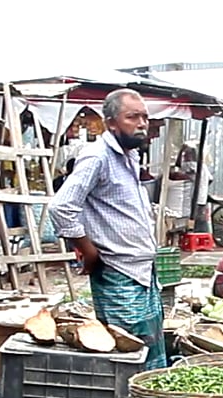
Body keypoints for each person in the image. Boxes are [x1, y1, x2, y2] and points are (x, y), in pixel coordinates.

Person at [48, 88, 167, 370]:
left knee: (149, 347)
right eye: (132, 117)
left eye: (144, 118)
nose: (141, 123)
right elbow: (61, 207)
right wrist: (87, 251)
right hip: (117, 271)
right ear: (111, 122)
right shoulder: (97, 157)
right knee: (126, 351)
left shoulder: (129, 156)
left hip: (142, 270)